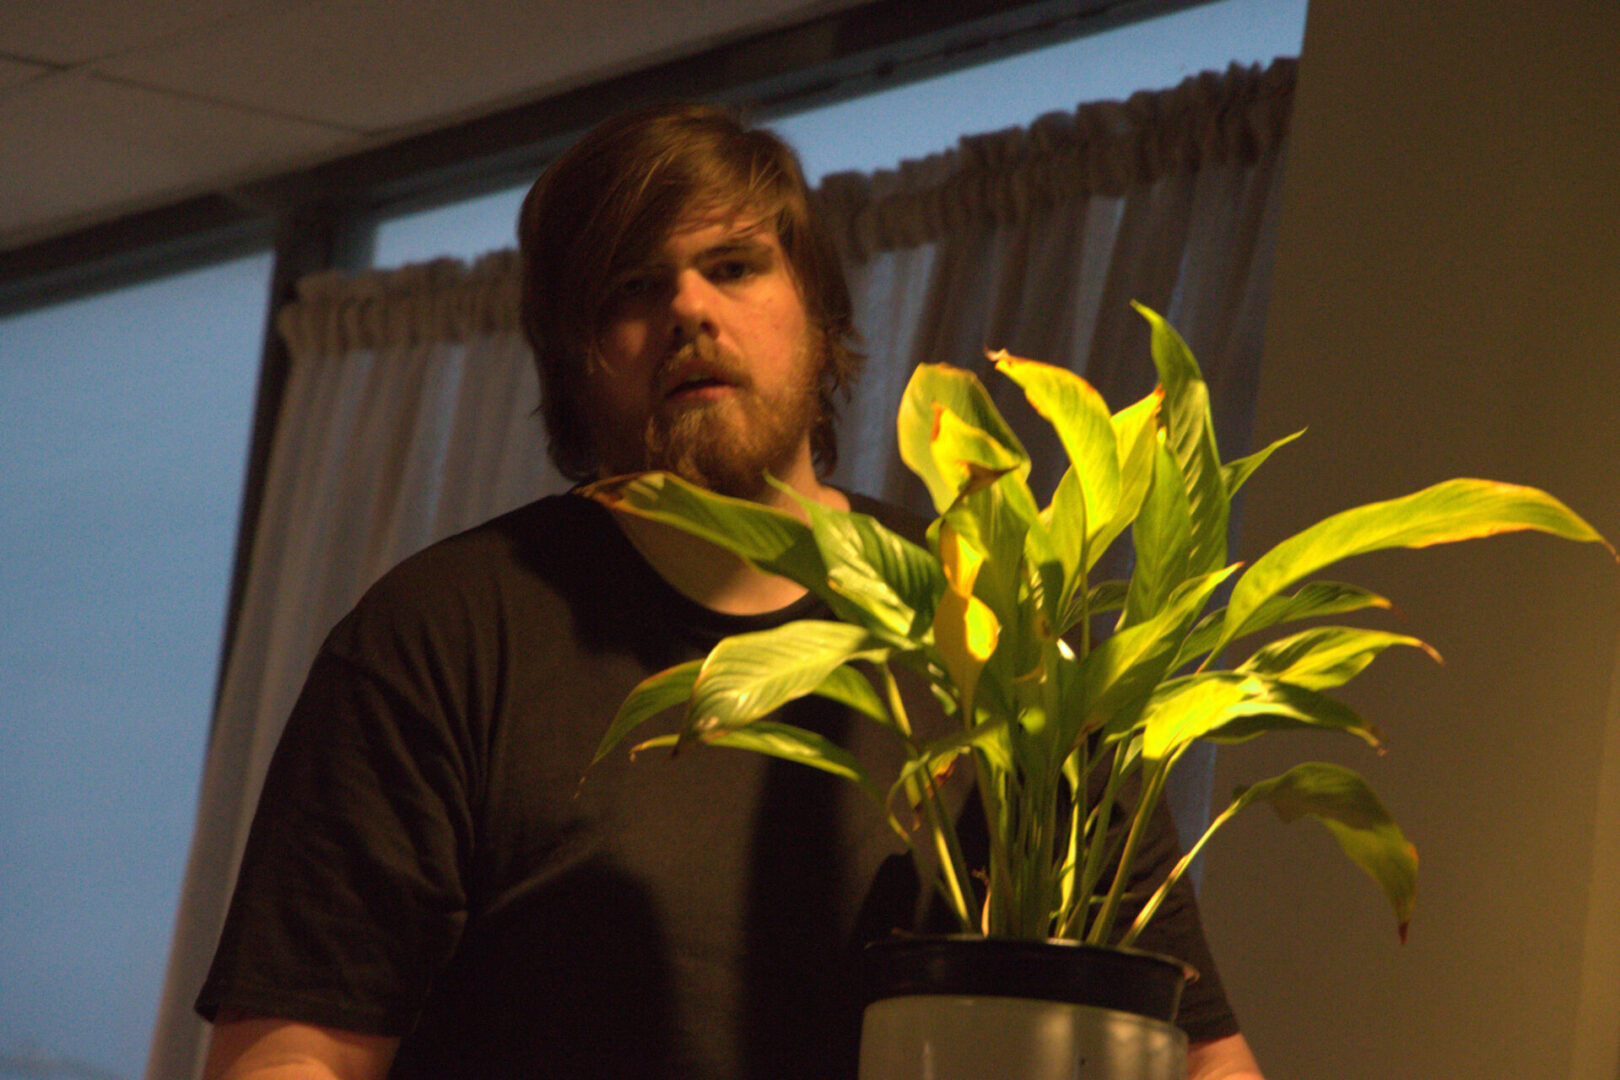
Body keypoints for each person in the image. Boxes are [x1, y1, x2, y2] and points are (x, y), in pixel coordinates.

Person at [197, 103, 1264, 1080]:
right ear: (574, 359)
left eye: (734, 266)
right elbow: (292, 1058)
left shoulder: (999, 631)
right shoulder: (441, 637)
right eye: (632, 286)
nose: (689, 311)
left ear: (818, 316)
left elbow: (1205, 1057)